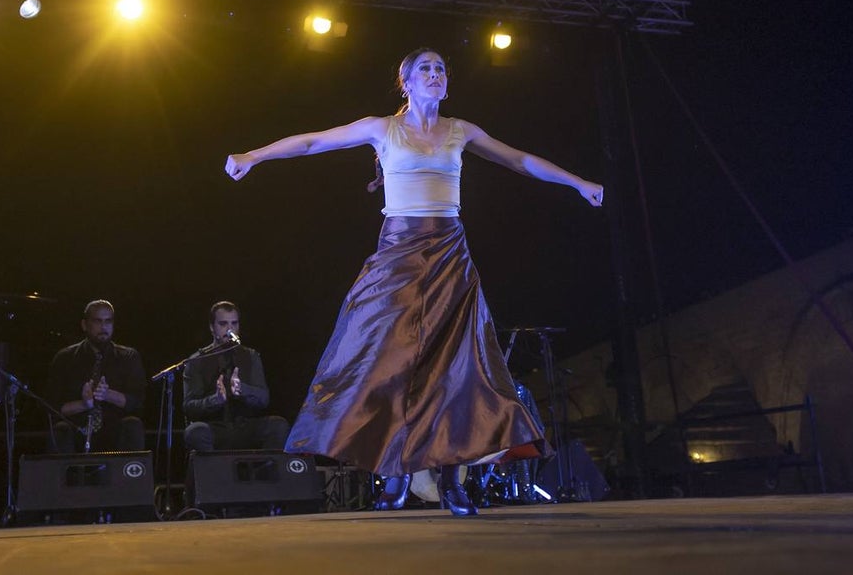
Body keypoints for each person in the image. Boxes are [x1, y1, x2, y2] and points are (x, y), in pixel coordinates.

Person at [224, 47, 603, 516]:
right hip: (399, 251)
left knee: (455, 364)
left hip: (449, 251)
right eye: (425, 68)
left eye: (441, 68)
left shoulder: (461, 131)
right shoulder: (381, 129)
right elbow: (312, 143)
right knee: (388, 357)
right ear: (405, 81)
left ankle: (451, 480)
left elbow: (519, 160)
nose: (435, 74)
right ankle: (395, 473)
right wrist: (254, 155)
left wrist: (577, 182)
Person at [182, 301, 289, 453]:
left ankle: (260, 469)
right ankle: (216, 468)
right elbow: (189, 407)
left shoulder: (251, 356)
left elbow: (264, 398)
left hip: (245, 426)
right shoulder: (197, 361)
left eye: (234, 323)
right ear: (212, 327)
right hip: (215, 427)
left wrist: (243, 390)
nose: (229, 329)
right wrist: (215, 400)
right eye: (223, 324)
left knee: (278, 425)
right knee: (195, 432)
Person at [47, 299, 146, 453]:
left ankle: (128, 470)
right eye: (97, 321)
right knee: (60, 429)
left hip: (114, 429)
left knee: (132, 424)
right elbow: (53, 407)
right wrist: (84, 404)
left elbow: (137, 402)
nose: (103, 327)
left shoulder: (128, 357)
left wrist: (107, 395)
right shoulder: (65, 358)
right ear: (84, 325)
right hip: (77, 428)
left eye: (108, 321)